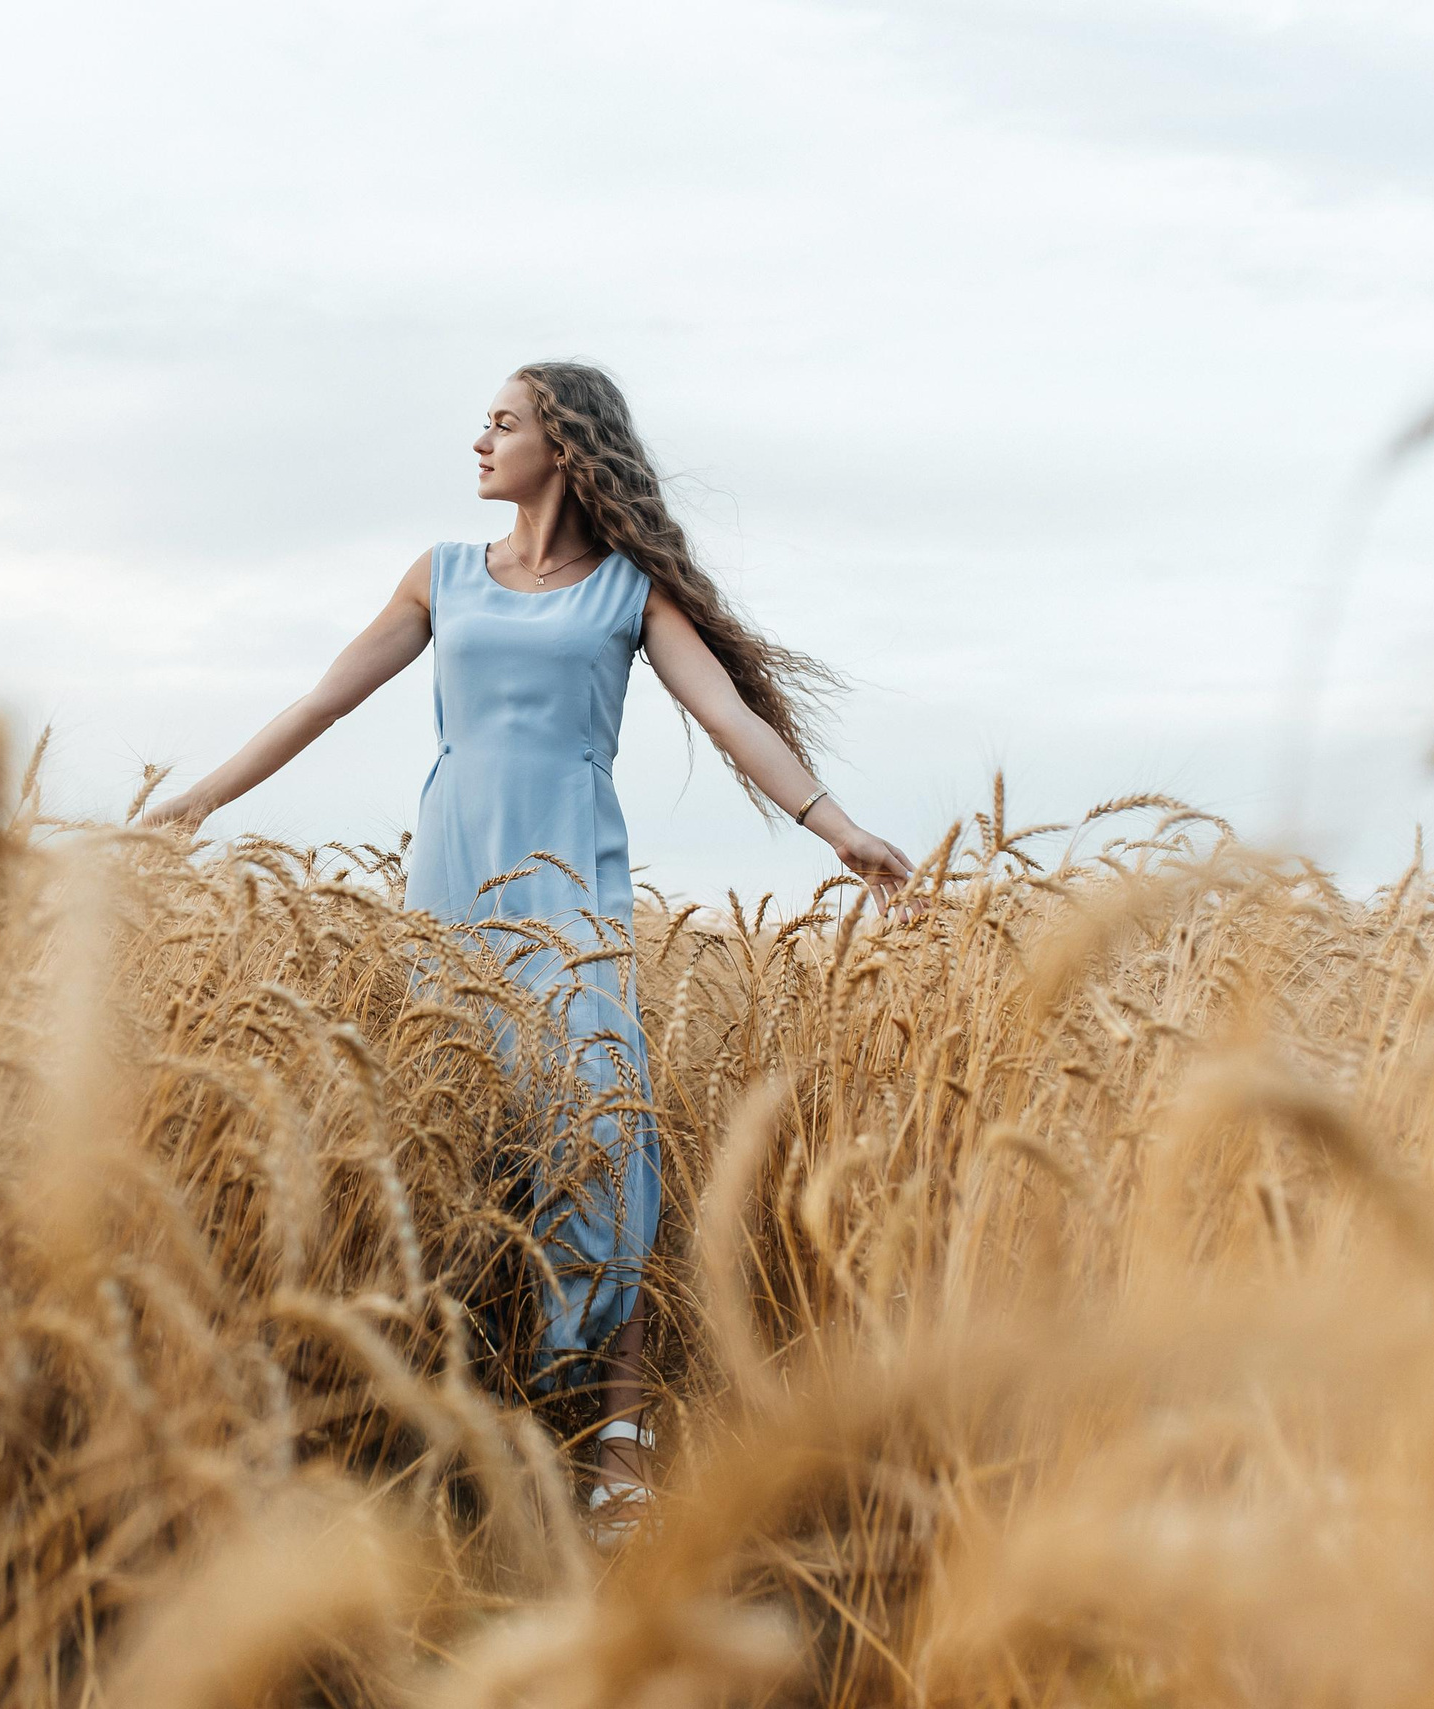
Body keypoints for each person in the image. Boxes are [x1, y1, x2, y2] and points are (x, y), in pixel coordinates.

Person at [143, 361, 914, 1539]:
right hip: (455, 886)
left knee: (606, 1131)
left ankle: (621, 1438)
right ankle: (448, 1429)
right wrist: (194, 803)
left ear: (562, 443)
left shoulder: (627, 592)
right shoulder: (440, 575)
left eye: (501, 423)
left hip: (570, 888)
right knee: (454, 1133)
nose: (480, 441)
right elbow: (321, 701)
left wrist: (839, 830)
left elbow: (728, 716)